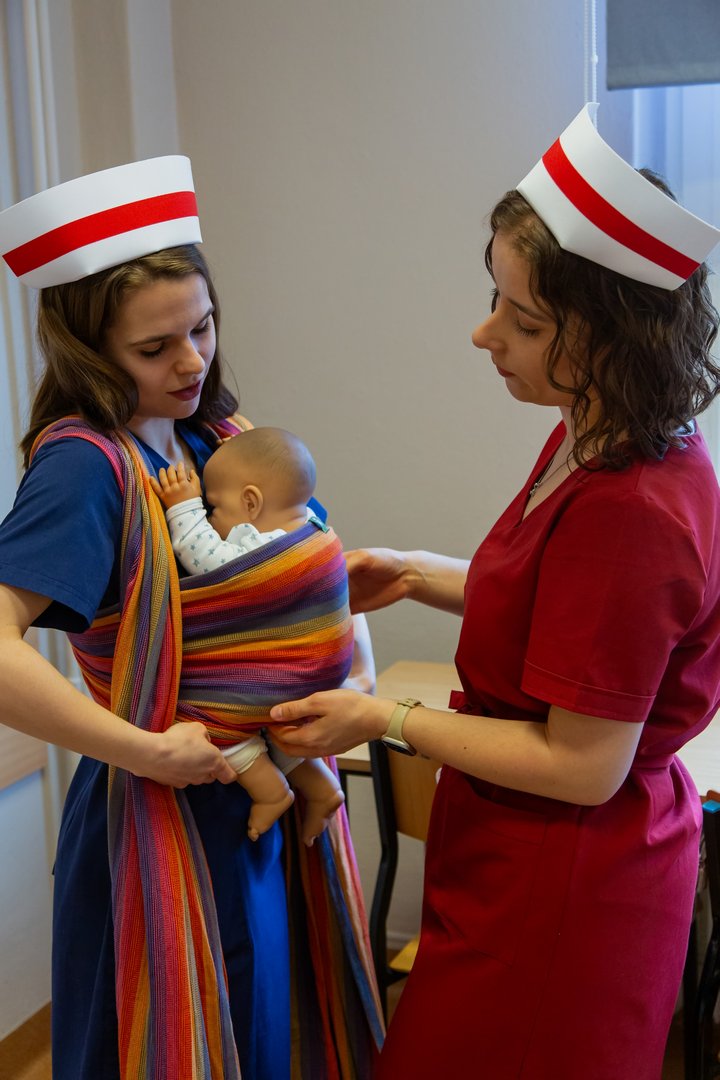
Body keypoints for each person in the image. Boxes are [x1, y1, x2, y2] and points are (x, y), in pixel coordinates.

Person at [269, 104, 720, 1079]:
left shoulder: (634, 508)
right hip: (521, 853)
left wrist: (382, 718)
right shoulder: (596, 430)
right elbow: (565, 612)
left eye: (524, 322)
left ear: (617, 340)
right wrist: (414, 573)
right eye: (496, 301)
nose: (484, 335)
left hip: (568, 883)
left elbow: (583, 765)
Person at [0, 157, 383, 1079]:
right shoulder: (85, 468)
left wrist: (355, 673)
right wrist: (146, 752)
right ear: (89, 351)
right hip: (163, 801)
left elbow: (311, 563)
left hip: (261, 795)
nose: (192, 362)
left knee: (260, 1033)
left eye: (203, 327)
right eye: (154, 348)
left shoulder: (217, 436)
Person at [150, 426, 346, 846]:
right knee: (275, 727)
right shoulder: (313, 530)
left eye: (215, 506)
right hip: (316, 672)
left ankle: (271, 792)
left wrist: (184, 506)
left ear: (251, 502)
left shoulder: (263, 544)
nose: (211, 518)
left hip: (287, 673)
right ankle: (321, 786)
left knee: (216, 725)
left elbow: (206, 557)